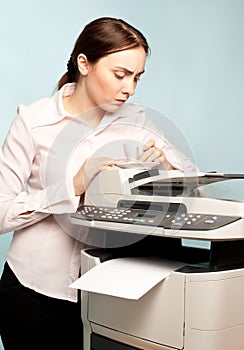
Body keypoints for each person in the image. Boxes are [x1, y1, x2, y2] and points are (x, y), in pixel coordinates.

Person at [0, 17, 196, 349]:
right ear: (84, 64)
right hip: (33, 296)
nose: (129, 88)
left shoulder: (137, 120)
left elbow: (193, 179)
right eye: (120, 75)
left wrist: (166, 168)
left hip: (110, 297)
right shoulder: (34, 121)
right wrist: (71, 186)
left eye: (137, 78)